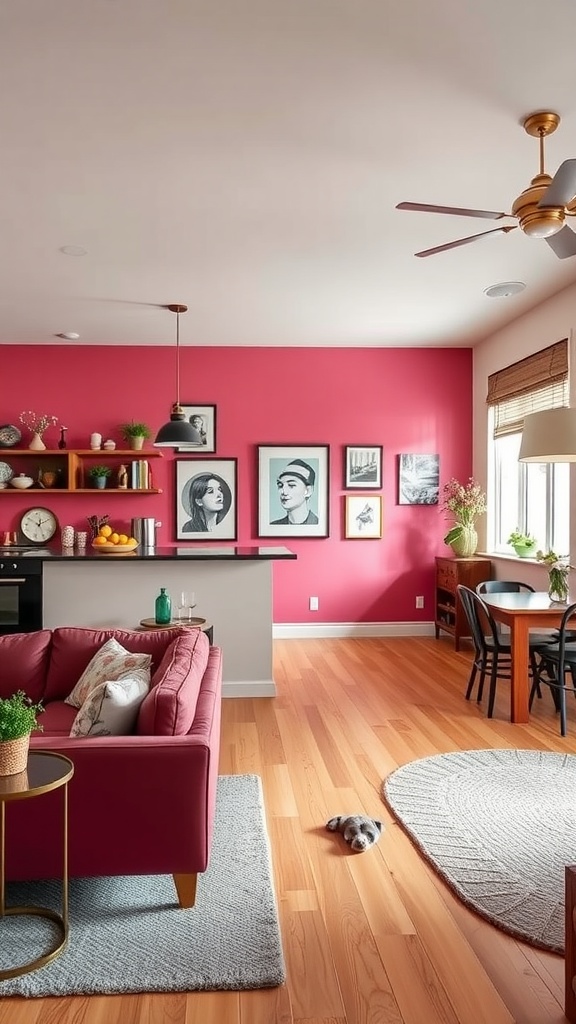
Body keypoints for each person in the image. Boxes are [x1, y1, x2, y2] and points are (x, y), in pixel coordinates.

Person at [271, 458, 319, 525]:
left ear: (308, 491)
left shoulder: (318, 524)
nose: (284, 491)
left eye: (291, 485)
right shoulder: (274, 526)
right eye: (280, 485)